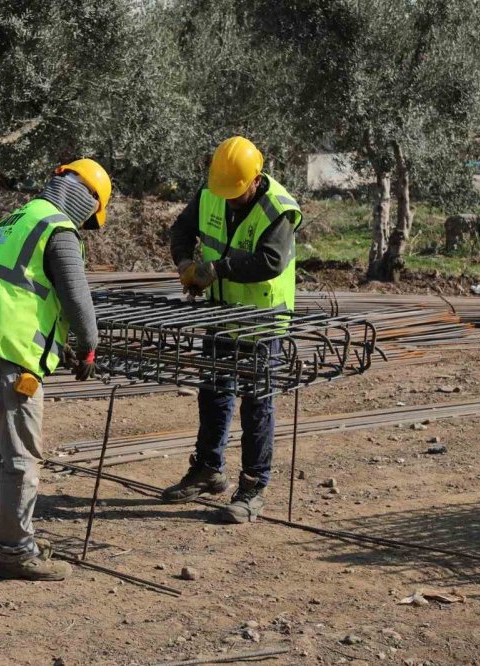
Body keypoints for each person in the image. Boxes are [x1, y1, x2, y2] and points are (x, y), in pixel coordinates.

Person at [0, 159, 112, 581]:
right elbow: (76, 298)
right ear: (87, 197)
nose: (87, 224)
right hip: (6, 357)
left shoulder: (12, 221)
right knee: (21, 459)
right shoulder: (57, 229)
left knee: (3, 456)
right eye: (92, 214)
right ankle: (16, 552)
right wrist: (89, 347)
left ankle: (17, 539)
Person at [162, 136, 302, 524]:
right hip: (221, 315)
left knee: (257, 405)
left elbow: (271, 261)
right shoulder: (213, 190)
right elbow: (181, 229)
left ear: (256, 180)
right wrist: (184, 266)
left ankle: (254, 487)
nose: (228, 199)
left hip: (261, 323)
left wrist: (217, 270)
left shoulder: (279, 209)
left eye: (236, 193)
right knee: (212, 393)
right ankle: (208, 469)